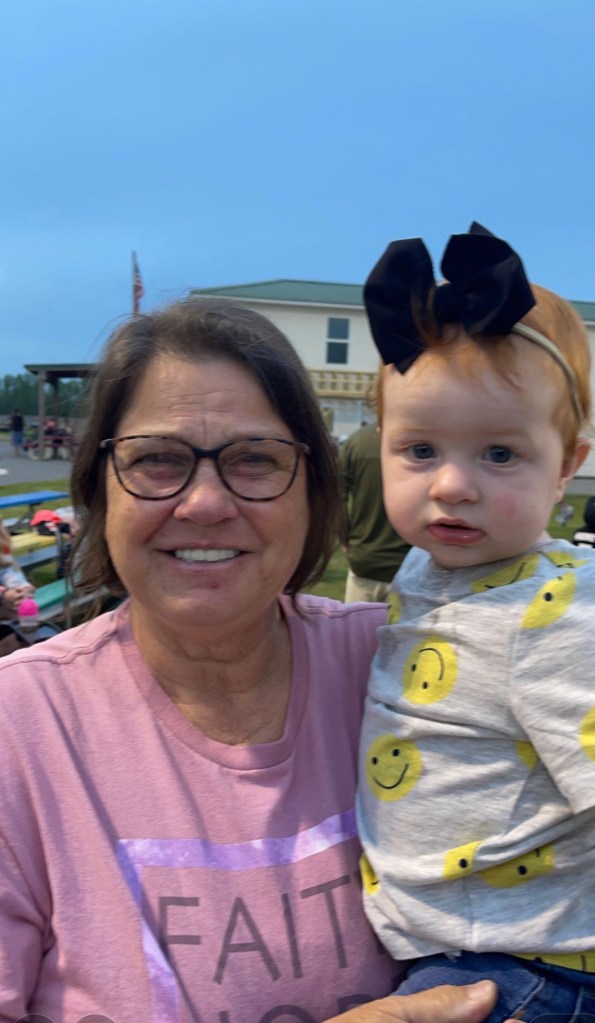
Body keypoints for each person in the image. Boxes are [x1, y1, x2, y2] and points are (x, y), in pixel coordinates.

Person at [0, 297, 504, 1023]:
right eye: (157, 459)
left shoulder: (414, 667)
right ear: (98, 489)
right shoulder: (21, 728)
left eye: (256, 460)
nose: (205, 503)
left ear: (314, 492)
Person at [357, 223, 595, 1021]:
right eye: (419, 449)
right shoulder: (430, 566)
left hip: (529, 969)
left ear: (565, 466)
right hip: (466, 945)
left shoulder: (559, 614)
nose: (451, 485)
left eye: (499, 454)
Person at [340, 421, 410, 602]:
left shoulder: (357, 441)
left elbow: (335, 500)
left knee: (357, 621)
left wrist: (344, 538)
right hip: (409, 564)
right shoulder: (425, 440)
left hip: (367, 559)